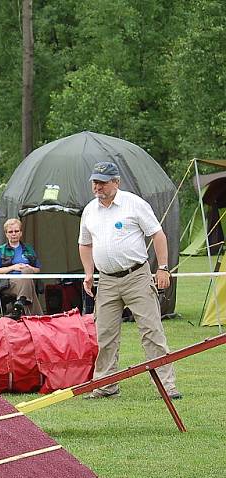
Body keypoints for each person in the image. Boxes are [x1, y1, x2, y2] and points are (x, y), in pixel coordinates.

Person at [78, 161, 181, 400]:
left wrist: (163, 268)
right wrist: (88, 273)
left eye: (102, 182)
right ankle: (105, 385)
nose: (97, 187)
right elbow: (84, 243)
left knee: (152, 331)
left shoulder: (134, 203)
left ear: (116, 182)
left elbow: (157, 234)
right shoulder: (89, 211)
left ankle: (167, 385)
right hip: (106, 281)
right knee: (105, 335)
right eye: (95, 182)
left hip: (137, 277)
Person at [0, 218, 44, 316]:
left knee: (27, 273)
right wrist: (13, 267)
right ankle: (37, 317)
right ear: (6, 234)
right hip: (8, 283)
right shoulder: (1, 250)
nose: (14, 234)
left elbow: (37, 269)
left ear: (20, 233)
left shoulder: (28, 249)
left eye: (16, 231)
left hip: (26, 280)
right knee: (28, 284)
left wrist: (29, 267)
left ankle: (20, 303)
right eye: (10, 232)